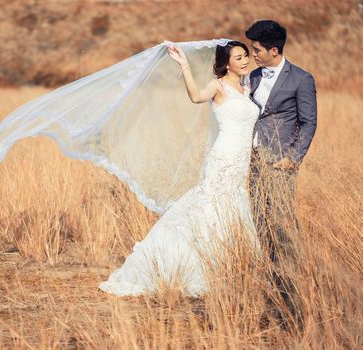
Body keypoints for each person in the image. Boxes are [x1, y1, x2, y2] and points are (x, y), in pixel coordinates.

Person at [98, 41, 261, 296]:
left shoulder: (248, 88)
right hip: (223, 158)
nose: (244, 61)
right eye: (238, 57)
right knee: (212, 209)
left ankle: (232, 268)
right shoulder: (217, 86)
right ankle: (197, 269)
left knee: (234, 208)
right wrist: (184, 65)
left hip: (242, 162)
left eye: (246, 56)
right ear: (226, 63)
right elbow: (196, 97)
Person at [245, 20, 317, 326]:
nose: (253, 53)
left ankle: (296, 304)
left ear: (275, 50)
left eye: (258, 49)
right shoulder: (252, 76)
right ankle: (272, 302)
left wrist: (292, 159)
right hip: (253, 163)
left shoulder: (301, 79)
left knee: (284, 232)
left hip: (279, 164)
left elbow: (309, 122)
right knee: (262, 231)